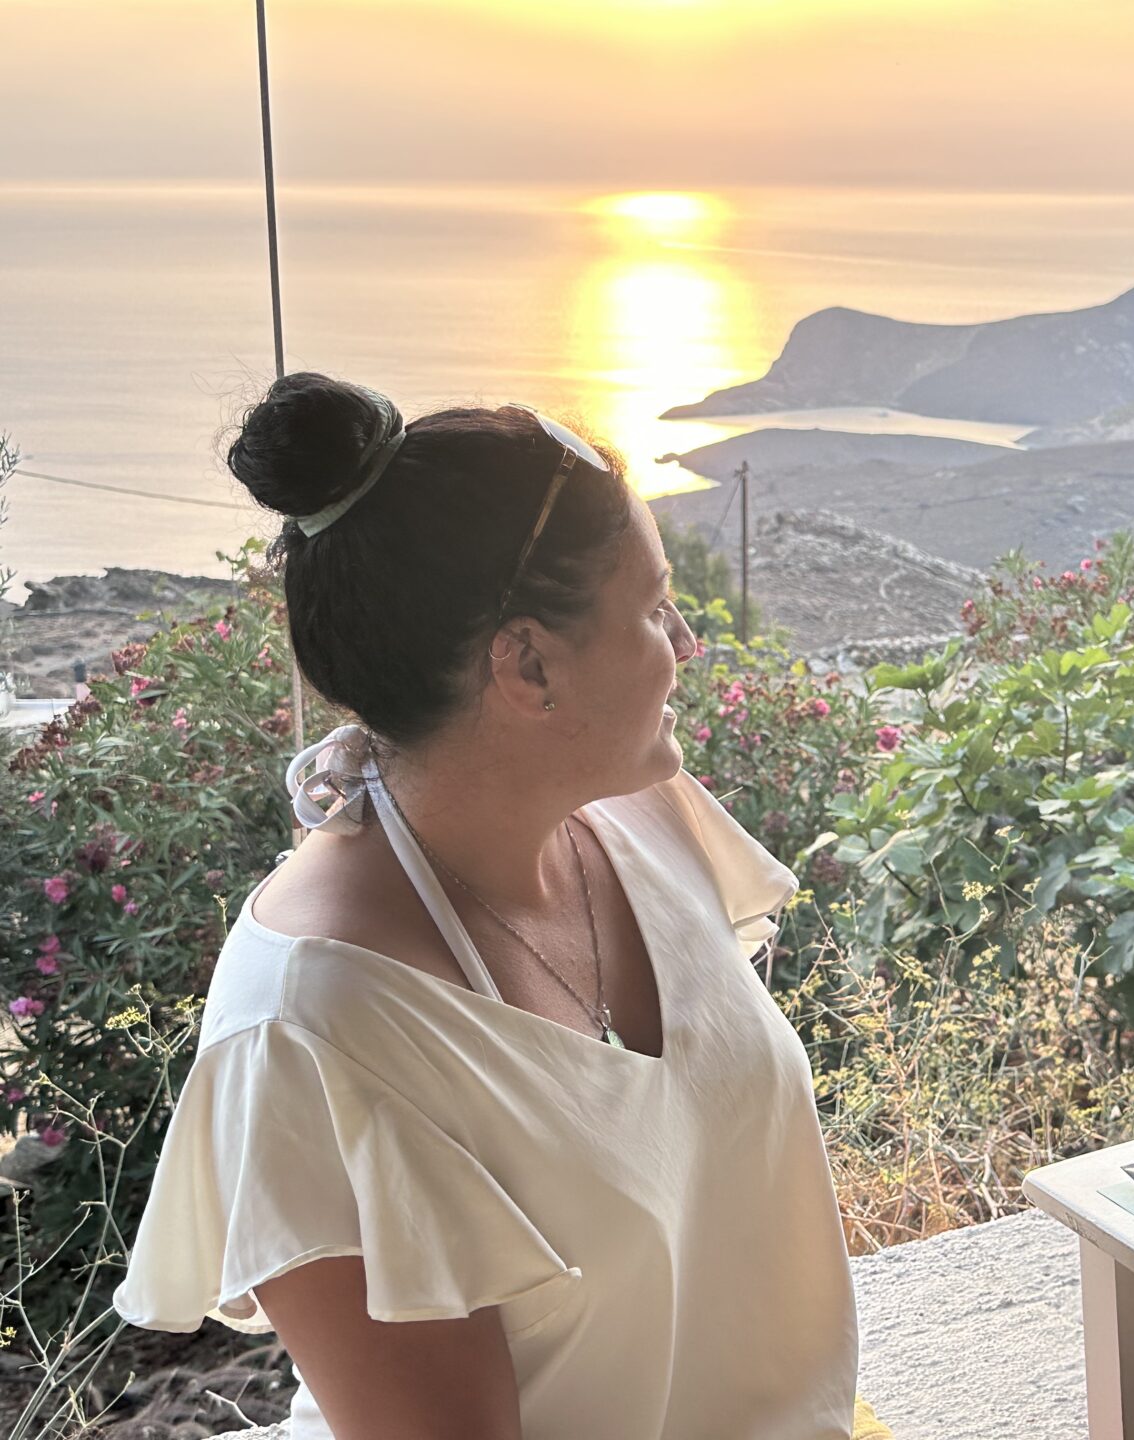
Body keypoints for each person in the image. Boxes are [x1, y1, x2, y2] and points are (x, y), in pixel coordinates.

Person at [111, 374, 886, 1440]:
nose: (687, 644)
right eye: (654, 610)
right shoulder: (311, 1036)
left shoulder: (636, 814)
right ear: (525, 663)